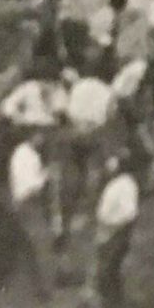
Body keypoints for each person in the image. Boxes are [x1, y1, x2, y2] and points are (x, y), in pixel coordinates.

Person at [87, 158, 142, 308]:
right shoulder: (115, 184)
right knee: (108, 275)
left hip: (115, 235)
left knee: (107, 275)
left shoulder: (126, 184)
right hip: (107, 234)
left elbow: (129, 213)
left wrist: (111, 228)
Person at [62, 67, 118, 229]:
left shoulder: (73, 96)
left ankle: (84, 210)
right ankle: (90, 205)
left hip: (86, 133)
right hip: (100, 129)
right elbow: (112, 101)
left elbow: (73, 118)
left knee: (84, 171)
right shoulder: (94, 82)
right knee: (96, 169)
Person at [8, 133, 57, 289]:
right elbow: (32, 186)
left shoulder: (23, 152)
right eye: (40, 135)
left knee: (34, 245)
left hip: (24, 202)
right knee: (42, 243)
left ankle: (42, 283)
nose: (43, 139)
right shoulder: (28, 156)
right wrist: (46, 175)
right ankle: (45, 287)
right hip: (28, 202)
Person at [90, 0, 131, 70]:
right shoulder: (111, 16)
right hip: (99, 48)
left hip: (96, 45)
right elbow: (105, 38)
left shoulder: (104, 12)